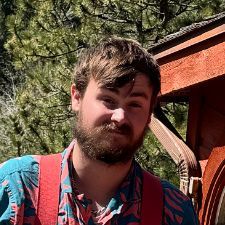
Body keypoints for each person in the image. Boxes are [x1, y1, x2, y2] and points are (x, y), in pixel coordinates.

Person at [0, 37, 199, 225]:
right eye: (108, 100)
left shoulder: (173, 211)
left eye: (135, 104)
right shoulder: (16, 188)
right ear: (76, 97)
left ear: (149, 114)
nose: (120, 116)